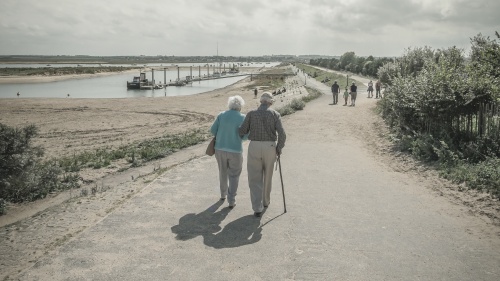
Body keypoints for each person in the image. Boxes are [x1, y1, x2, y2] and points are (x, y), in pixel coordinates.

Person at [239, 92, 286, 217]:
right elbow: (282, 134)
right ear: (270, 102)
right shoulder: (275, 114)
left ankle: (257, 207)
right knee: (268, 175)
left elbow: (242, 131)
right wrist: (279, 148)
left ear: (261, 101)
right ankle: (266, 201)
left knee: (254, 177)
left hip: (254, 145)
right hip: (270, 146)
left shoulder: (251, 114)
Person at [210, 95, 247, 209]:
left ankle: (222, 194)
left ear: (229, 105)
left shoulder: (221, 115)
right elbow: (246, 136)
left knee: (222, 172)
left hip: (220, 149)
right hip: (235, 150)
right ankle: (231, 200)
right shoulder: (243, 117)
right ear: (240, 106)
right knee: (234, 175)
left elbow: (212, 130)